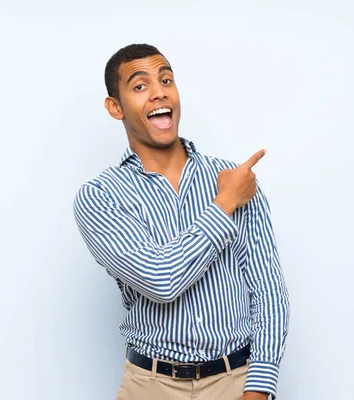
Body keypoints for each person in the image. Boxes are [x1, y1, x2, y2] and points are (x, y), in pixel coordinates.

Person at [73, 43, 290, 400]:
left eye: (166, 80)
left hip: (236, 380)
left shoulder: (233, 178)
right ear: (116, 107)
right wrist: (224, 205)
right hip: (150, 386)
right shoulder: (101, 196)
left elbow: (268, 291)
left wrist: (259, 389)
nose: (159, 92)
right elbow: (162, 280)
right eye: (140, 86)